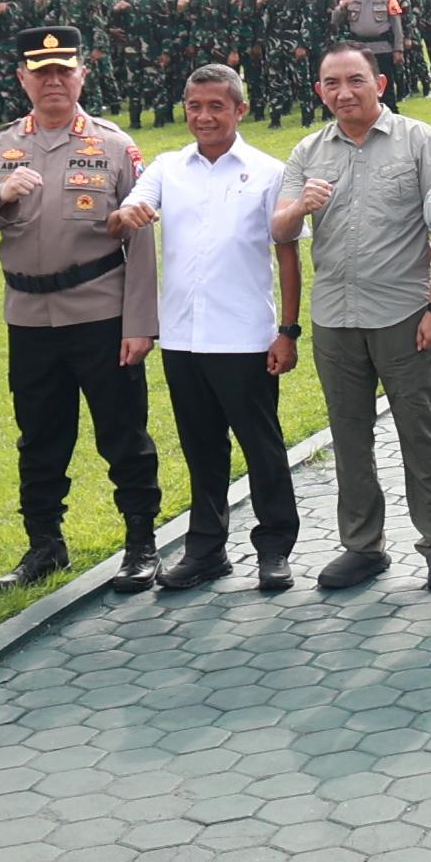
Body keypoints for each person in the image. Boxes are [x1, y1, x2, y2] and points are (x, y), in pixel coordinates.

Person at [0, 25, 163, 592]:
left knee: (123, 435)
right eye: (42, 72)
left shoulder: (115, 147)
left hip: (101, 315)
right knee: (39, 438)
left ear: (82, 75)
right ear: (23, 79)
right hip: (29, 318)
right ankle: (45, 546)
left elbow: (139, 240)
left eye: (64, 70)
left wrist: (140, 324)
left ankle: (141, 542)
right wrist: (0, 196)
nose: (54, 81)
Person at [272, 44, 431, 593]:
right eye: (332, 83)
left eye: (355, 80)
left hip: (403, 313)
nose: (344, 92)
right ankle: (362, 545)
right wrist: (299, 206)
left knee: (420, 432)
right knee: (348, 436)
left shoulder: (417, 140)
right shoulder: (309, 151)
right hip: (335, 317)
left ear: (378, 83)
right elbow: (279, 230)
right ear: (320, 91)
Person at [114, 64, 299, 592]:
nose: (204, 116)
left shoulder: (267, 171)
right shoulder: (168, 168)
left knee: (260, 446)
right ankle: (206, 549)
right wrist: (129, 216)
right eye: (195, 106)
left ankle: (275, 545)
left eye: (216, 106)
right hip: (182, 336)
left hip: (244, 335)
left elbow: (287, 255)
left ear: (239, 110)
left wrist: (287, 330)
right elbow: (130, 210)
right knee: (201, 448)